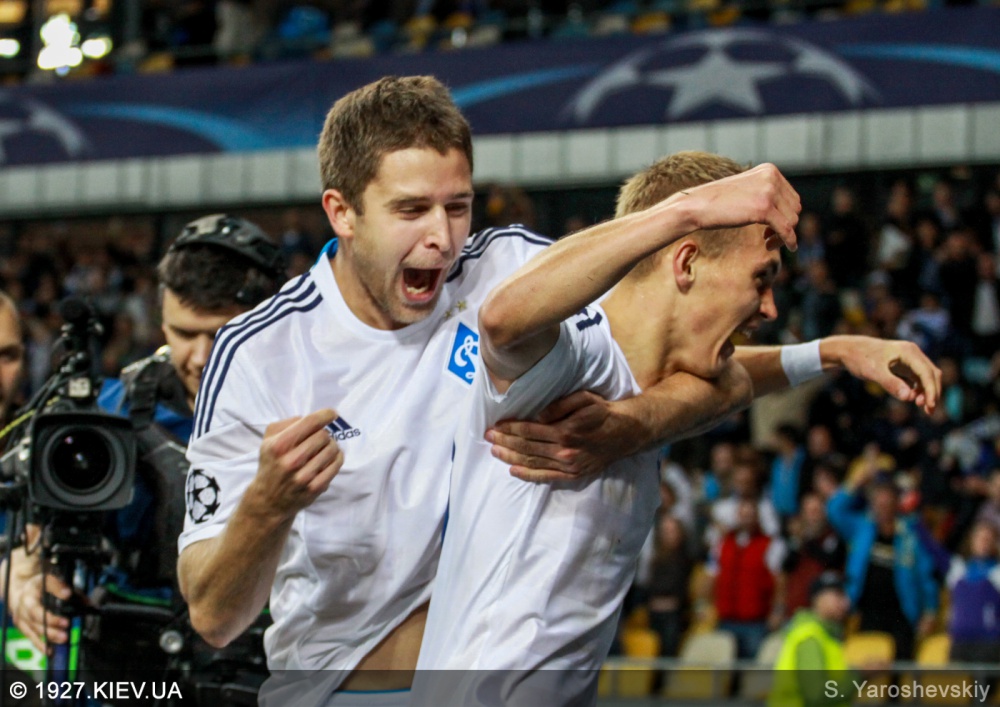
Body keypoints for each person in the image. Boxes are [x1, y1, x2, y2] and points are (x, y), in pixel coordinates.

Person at [177, 77, 941, 707]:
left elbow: (675, 353)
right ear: (341, 212)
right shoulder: (260, 354)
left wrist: (639, 422)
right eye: (411, 210)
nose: (442, 236)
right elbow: (213, 615)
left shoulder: (507, 263)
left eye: (458, 204)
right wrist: (267, 506)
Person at [411, 151, 939, 705]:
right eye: (761, 279)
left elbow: (731, 384)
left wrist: (837, 350)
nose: (770, 309)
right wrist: (688, 210)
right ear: (686, 263)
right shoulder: (575, 355)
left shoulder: (664, 387)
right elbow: (501, 320)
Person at [1, 215, 286, 675]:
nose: (201, 358)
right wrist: (22, 576)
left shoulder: (320, 410)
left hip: (272, 660)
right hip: (132, 665)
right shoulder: (112, 412)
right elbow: (34, 530)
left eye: (221, 334)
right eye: (183, 333)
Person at [769, 571, 853, 707]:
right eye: (839, 595)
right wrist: (858, 678)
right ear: (818, 599)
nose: (846, 603)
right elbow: (815, 694)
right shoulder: (810, 637)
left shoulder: (825, 635)